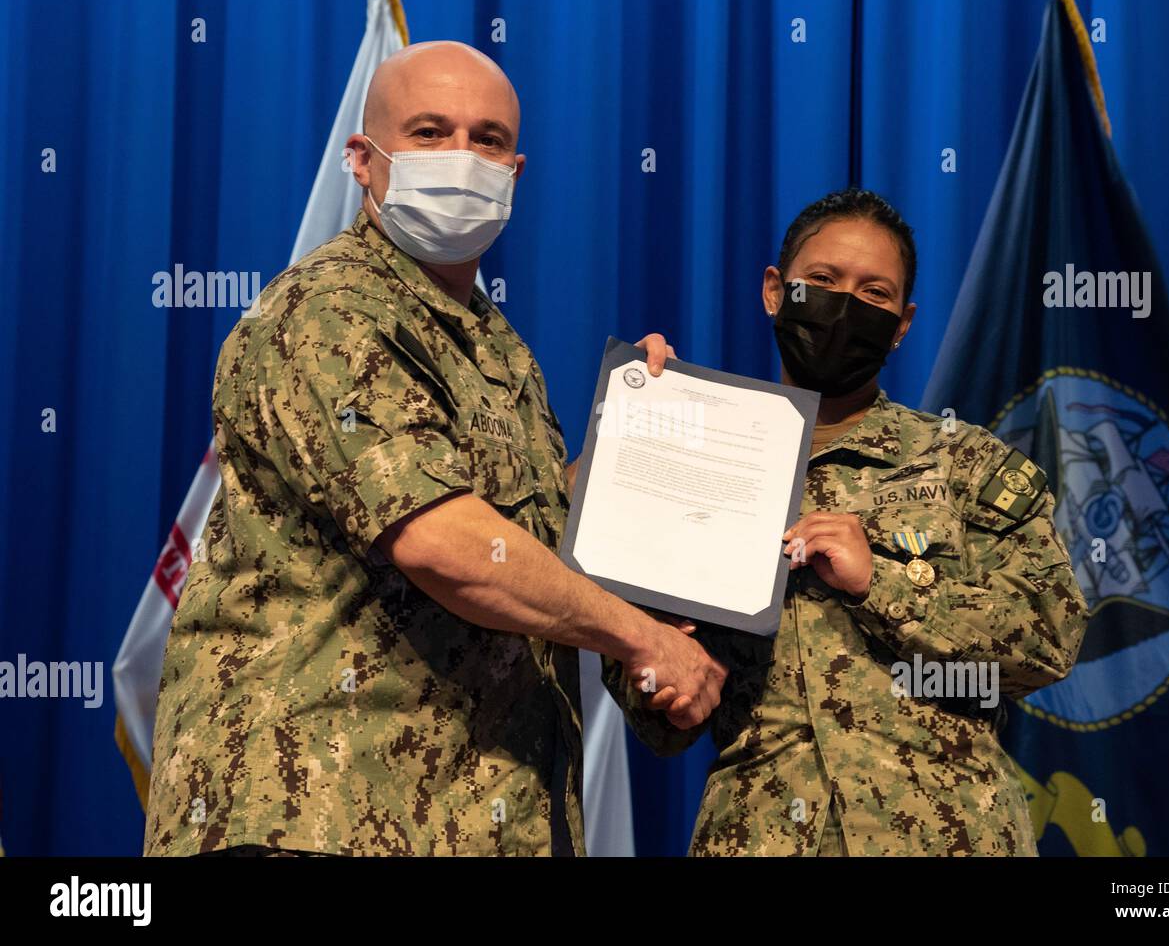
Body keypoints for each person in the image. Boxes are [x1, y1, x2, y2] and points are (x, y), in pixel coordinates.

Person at [144, 41, 726, 858]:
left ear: (515, 171)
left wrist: (631, 447)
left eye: (486, 139)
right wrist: (641, 637)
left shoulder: (498, 350)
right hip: (317, 815)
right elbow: (441, 541)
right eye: (428, 131)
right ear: (363, 159)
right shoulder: (328, 309)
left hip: (465, 816)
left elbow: (526, 539)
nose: (461, 156)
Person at [608, 188, 1088, 855]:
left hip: (950, 836)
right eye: (823, 282)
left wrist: (883, 586)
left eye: (874, 295)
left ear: (902, 324)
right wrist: (636, 444)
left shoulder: (965, 464)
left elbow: (1052, 634)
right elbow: (658, 714)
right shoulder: (698, 447)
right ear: (775, 290)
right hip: (760, 833)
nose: (844, 308)